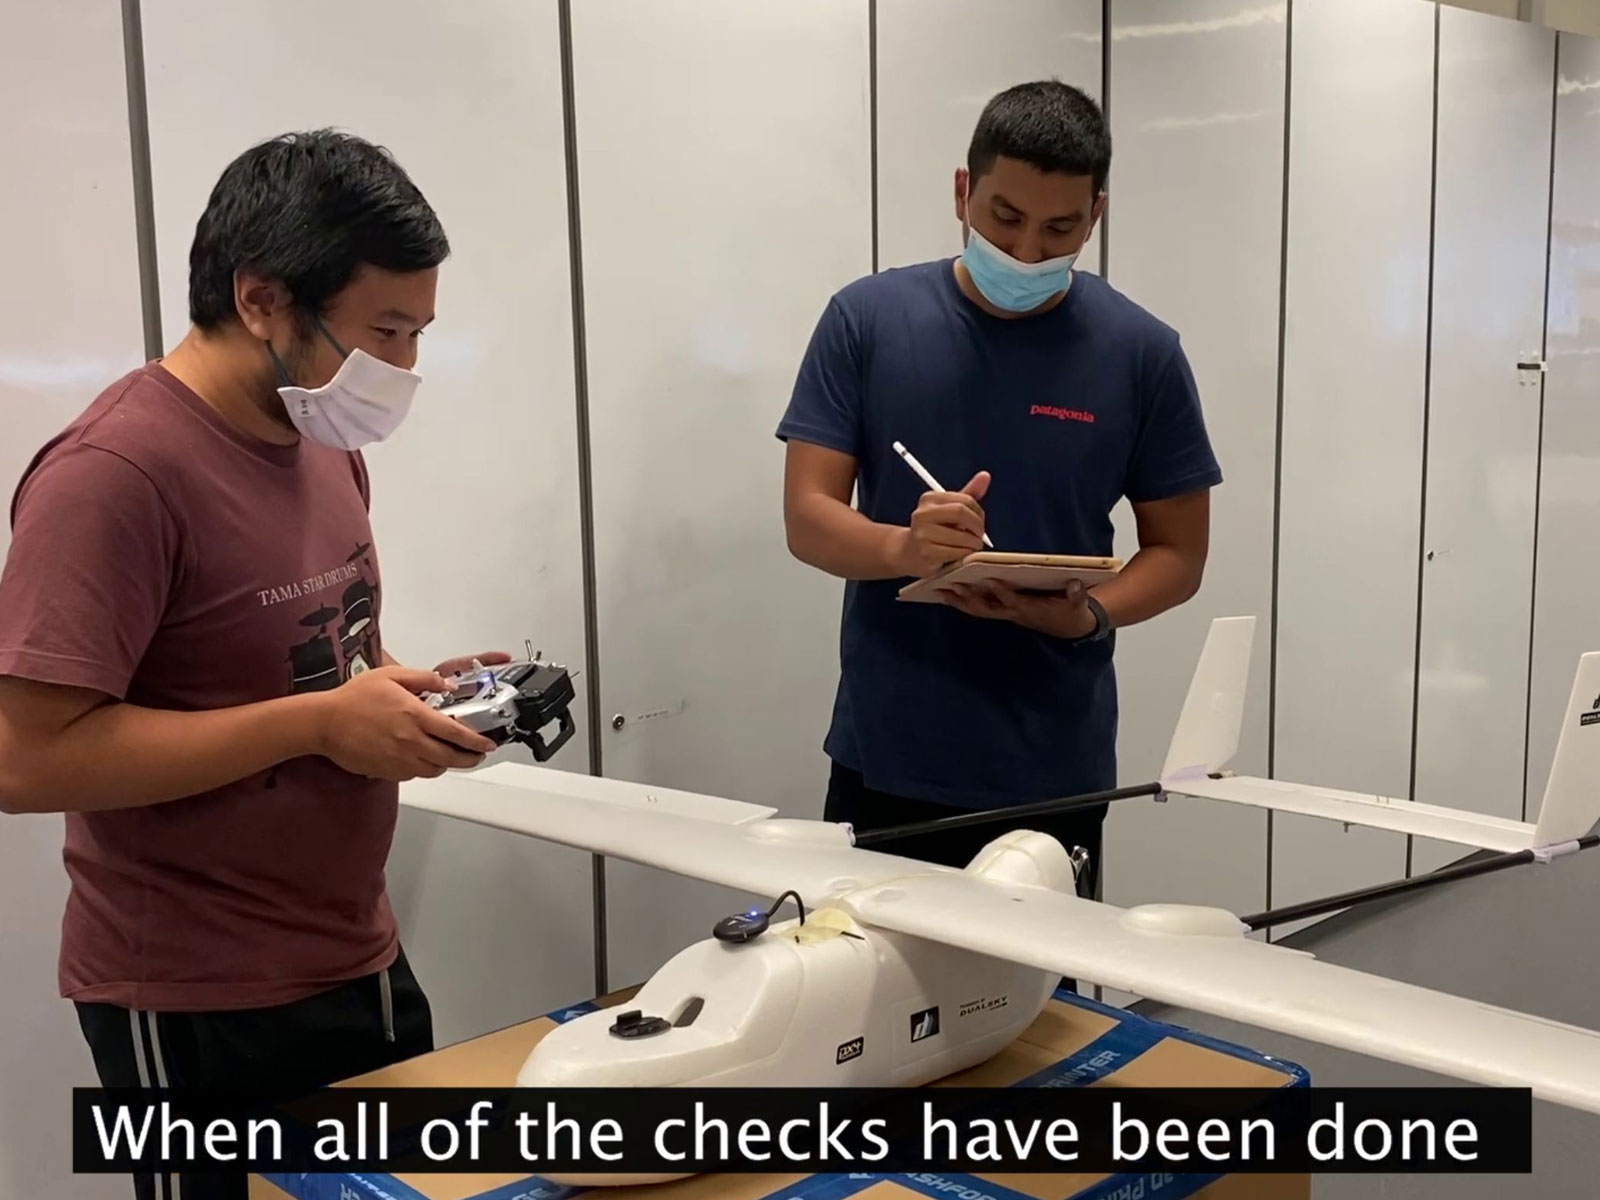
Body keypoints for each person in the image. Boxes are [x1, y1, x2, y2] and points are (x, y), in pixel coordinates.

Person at [0, 130, 502, 1200]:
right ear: (264, 297)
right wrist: (320, 725)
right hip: (192, 998)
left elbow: (315, 662)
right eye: (384, 331)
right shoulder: (113, 476)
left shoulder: (320, 435)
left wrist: (409, 698)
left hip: (354, 954)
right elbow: (25, 760)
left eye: (417, 332)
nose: (403, 368)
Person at [778, 81, 1222, 900]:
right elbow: (808, 519)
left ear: (1096, 215)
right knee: (872, 996)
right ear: (961, 191)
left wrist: (1091, 613)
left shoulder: (1142, 353)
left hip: (1051, 764)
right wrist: (905, 548)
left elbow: (1179, 553)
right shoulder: (867, 321)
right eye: (1004, 218)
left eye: (1059, 229)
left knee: (1044, 1013)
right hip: (891, 751)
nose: (1025, 251)